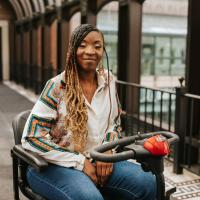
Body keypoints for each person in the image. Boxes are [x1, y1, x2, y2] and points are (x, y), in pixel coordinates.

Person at [22, 24, 156, 200]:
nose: (90, 51)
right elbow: (31, 138)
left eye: (97, 46)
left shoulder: (109, 80)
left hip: (98, 158)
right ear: (72, 50)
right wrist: (80, 162)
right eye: (82, 45)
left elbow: (114, 123)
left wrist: (107, 152)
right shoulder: (56, 86)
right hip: (53, 165)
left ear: (103, 51)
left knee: (148, 181)